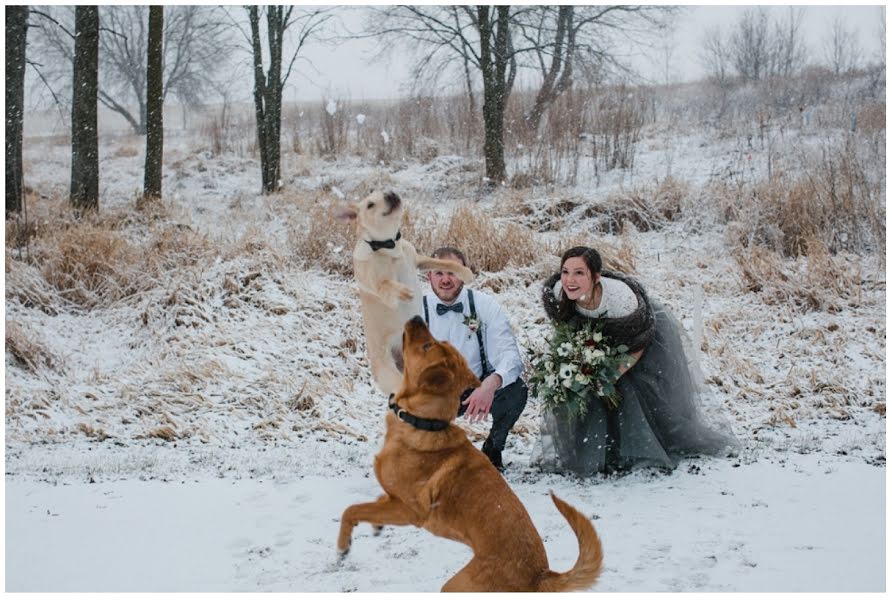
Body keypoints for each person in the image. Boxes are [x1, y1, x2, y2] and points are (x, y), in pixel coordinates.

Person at [531, 246, 738, 477]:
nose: (570, 279)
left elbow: (640, 342)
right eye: (565, 272)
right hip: (594, 343)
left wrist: (612, 374)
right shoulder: (560, 294)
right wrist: (576, 364)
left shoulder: (620, 299)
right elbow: (566, 333)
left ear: (596, 276)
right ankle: (598, 452)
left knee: (629, 390)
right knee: (580, 389)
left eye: (579, 273)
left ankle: (642, 449)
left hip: (643, 339)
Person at [422, 247, 528, 471]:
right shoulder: (415, 309)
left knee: (516, 390)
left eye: (453, 272)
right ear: (428, 275)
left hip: (477, 386)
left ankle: (493, 449)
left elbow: (510, 356)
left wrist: (491, 383)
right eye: (439, 273)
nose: (446, 280)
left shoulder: (485, 306)